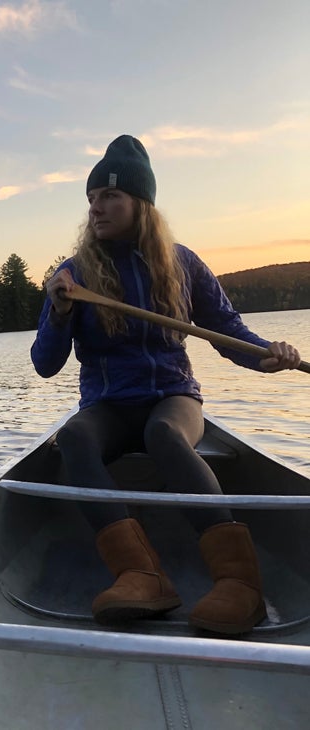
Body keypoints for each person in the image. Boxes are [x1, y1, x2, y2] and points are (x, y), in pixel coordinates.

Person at [30, 134, 302, 635]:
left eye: (110, 196)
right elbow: (45, 364)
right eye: (91, 199)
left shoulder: (181, 264)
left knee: (165, 436)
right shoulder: (73, 275)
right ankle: (142, 575)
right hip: (109, 405)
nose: (97, 208)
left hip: (173, 399)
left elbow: (228, 333)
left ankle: (241, 585)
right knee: (73, 437)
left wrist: (271, 357)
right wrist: (61, 312)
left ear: (141, 204)